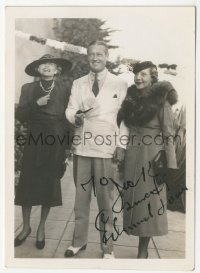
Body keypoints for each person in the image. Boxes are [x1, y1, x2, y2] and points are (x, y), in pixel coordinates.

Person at [64, 41, 128, 258]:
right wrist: (75, 117)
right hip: (82, 147)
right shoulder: (78, 83)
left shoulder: (119, 84)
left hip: (106, 149)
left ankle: (107, 247)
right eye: (91, 54)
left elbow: (124, 119)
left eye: (99, 54)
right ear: (87, 57)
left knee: (105, 200)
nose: (95, 58)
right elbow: (70, 109)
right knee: (80, 200)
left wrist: (121, 145)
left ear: (107, 56)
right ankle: (78, 242)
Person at [118, 61, 178, 258]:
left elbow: (168, 134)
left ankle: (142, 250)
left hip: (153, 157)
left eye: (143, 74)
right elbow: (124, 125)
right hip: (132, 155)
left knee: (148, 204)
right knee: (133, 200)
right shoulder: (131, 98)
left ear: (153, 77)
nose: (138, 78)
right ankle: (137, 240)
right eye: (136, 74)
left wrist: (170, 166)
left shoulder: (162, 101)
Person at [14, 54, 72, 249]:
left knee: (49, 185)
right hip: (34, 138)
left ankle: (41, 228)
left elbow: (68, 119)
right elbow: (20, 114)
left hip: (55, 140)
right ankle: (26, 227)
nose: (46, 67)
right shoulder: (28, 89)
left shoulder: (65, 89)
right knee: (28, 183)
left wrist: (66, 147)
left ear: (57, 70)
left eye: (51, 64)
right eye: (42, 64)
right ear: (37, 70)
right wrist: (35, 104)